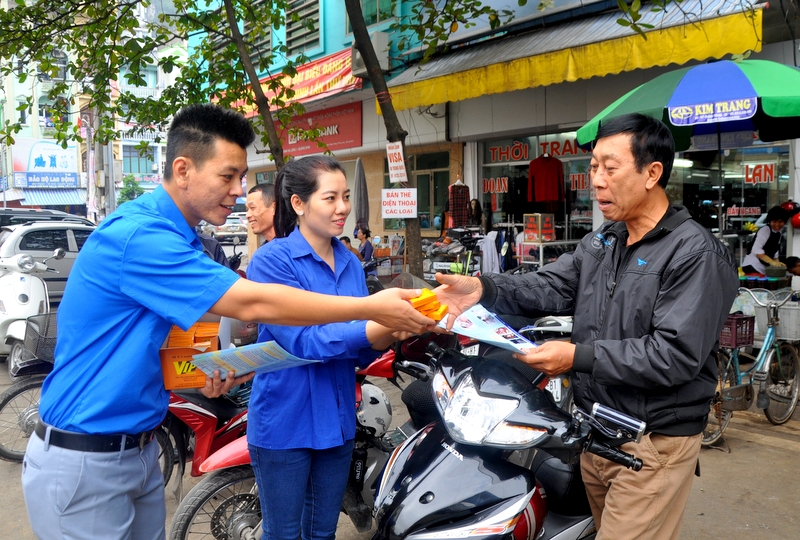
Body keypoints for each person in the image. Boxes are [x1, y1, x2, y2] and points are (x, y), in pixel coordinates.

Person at [21, 104, 433, 540]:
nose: (240, 191)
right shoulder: (143, 237)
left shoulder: (185, 238)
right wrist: (372, 307)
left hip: (138, 451)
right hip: (88, 458)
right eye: (228, 176)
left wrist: (201, 370)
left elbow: (146, 336)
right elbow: (252, 304)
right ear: (183, 170)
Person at [434, 113, 738, 540]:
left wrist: (576, 356)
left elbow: (674, 355)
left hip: (650, 446)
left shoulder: (695, 254)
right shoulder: (604, 240)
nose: (595, 180)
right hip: (596, 435)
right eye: (593, 166)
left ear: (652, 173)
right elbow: (551, 284)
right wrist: (482, 288)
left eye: (610, 168)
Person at [246, 156, 404, 540]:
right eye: (330, 197)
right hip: (285, 422)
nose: (343, 208)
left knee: (323, 533)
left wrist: (394, 330)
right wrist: (373, 324)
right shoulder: (271, 261)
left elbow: (361, 354)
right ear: (298, 204)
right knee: (283, 534)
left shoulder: (351, 264)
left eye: (346, 197)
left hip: (336, 422)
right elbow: (304, 343)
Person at [741, 206, 789, 275]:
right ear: (770, 221)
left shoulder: (778, 233)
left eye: (780, 222)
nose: (777, 224)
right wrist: (772, 262)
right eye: (774, 221)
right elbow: (756, 250)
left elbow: (775, 251)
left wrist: (777, 264)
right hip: (752, 266)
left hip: (763, 268)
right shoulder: (765, 230)